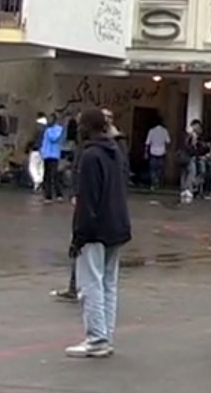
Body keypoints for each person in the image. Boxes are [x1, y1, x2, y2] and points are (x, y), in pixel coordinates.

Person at [68, 106, 131, 357]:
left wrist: (79, 236)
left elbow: (87, 200)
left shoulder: (90, 156)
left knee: (90, 284)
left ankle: (96, 337)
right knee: (108, 284)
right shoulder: (115, 151)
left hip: (96, 228)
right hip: (116, 224)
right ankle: (106, 335)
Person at [38, 112, 66, 202]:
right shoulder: (48, 129)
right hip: (47, 154)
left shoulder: (57, 129)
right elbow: (45, 141)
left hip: (53, 155)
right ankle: (49, 195)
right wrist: (42, 151)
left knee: (53, 175)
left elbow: (53, 138)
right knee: (47, 176)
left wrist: (48, 130)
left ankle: (56, 195)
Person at [144, 118, 171, 190]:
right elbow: (168, 142)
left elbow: (147, 143)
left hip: (153, 152)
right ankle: (157, 182)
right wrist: (167, 151)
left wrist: (145, 152)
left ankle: (153, 183)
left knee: (152, 169)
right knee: (159, 169)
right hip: (162, 152)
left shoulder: (151, 131)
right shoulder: (164, 131)